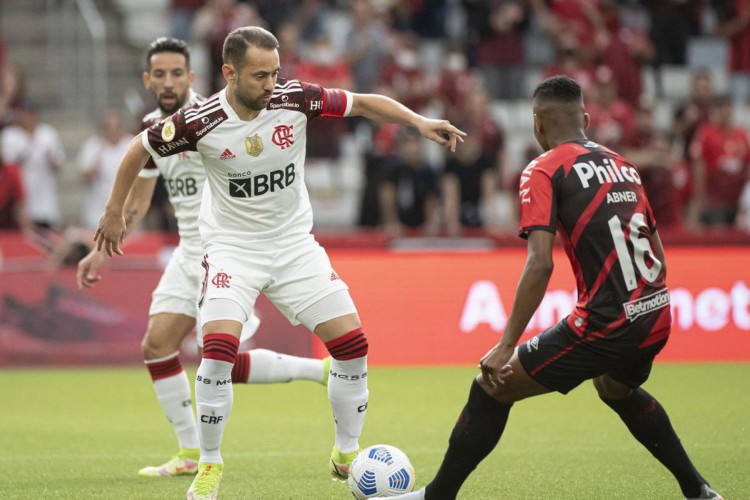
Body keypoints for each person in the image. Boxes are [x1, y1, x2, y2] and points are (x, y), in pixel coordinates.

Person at [94, 27, 465, 500]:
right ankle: (208, 463)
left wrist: (417, 121)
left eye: (274, 72)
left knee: (352, 344)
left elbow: (364, 103)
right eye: (259, 75)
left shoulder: (297, 98)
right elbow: (138, 149)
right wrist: (112, 212)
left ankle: (346, 453)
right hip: (232, 249)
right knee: (219, 349)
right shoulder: (199, 121)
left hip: (294, 246)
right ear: (229, 73)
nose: (271, 83)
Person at [392, 75, 722, 500]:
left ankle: (436, 497)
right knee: (615, 388)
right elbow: (657, 250)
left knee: (492, 385)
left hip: (607, 322)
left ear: (537, 125)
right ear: (585, 118)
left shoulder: (543, 169)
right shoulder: (624, 164)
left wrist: (506, 343)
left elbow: (540, 261)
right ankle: (699, 491)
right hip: (657, 312)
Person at [77, 37, 328, 480]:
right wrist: (102, 250)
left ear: (192, 78)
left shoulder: (212, 116)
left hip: (226, 250)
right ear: (148, 79)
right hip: (186, 251)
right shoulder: (157, 126)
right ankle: (190, 450)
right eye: (160, 74)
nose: (169, 81)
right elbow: (138, 201)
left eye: (177, 73)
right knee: (156, 346)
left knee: (219, 363)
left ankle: (320, 371)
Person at [77, 108, 134, 230]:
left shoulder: (132, 144)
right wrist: (94, 168)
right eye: (108, 127)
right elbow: (82, 180)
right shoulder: (92, 146)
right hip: (97, 211)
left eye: (115, 127)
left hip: (126, 210)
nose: (112, 131)